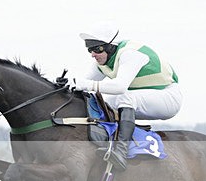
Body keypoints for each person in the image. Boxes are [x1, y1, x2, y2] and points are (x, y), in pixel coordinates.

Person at [70, 22, 181, 171]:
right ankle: (104, 142)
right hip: (144, 97)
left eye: (96, 49)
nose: (92, 54)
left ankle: (121, 150)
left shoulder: (130, 53)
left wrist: (84, 84)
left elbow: (119, 87)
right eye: (89, 49)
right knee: (98, 102)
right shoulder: (102, 61)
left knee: (124, 97)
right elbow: (85, 85)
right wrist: (66, 86)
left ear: (111, 46)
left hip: (168, 97)